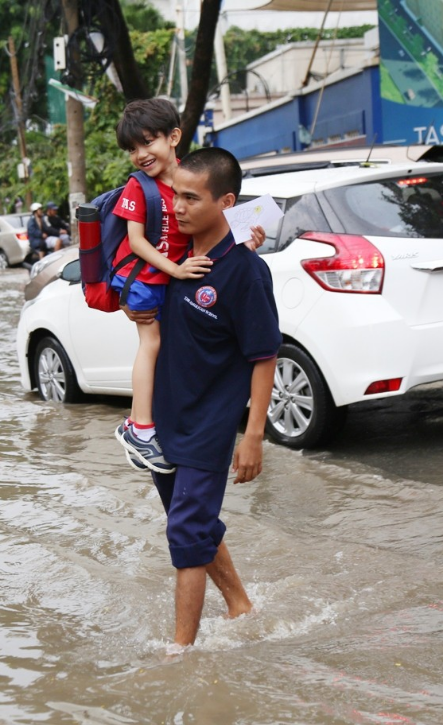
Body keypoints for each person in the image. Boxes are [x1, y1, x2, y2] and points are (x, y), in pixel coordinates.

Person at [125, 147, 281, 649]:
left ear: (226, 202)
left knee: (186, 539)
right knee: (192, 525)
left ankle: (179, 654)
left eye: (192, 198)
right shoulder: (175, 261)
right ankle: (240, 605)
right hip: (165, 423)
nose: (177, 206)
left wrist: (253, 435)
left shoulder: (246, 272)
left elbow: (264, 357)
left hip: (208, 429)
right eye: (175, 195)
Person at [110, 98, 213, 474]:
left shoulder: (193, 177)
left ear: (173, 137)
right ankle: (140, 429)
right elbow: (136, 242)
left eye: (148, 142)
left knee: (172, 347)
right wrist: (176, 269)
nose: (140, 154)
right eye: (133, 148)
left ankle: (153, 422)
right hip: (142, 279)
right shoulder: (138, 187)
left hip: (169, 278)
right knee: (151, 342)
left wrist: (250, 240)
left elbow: (215, 223)